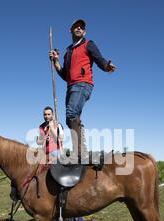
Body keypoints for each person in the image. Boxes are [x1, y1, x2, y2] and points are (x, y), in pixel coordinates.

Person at [49, 19, 116, 163]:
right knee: (70, 119)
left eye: (81, 27)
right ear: (71, 30)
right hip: (71, 86)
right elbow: (65, 75)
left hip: (83, 84)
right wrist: (56, 61)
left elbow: (99, 59)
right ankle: (82, 150)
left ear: (84, 32)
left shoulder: (88, 44)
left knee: (71, 113)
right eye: (76, 27)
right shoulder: (68, 52)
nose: (79, 28)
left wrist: (106, 67)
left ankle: (79, 153)